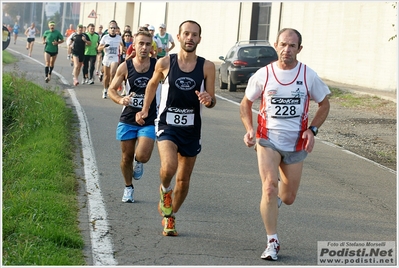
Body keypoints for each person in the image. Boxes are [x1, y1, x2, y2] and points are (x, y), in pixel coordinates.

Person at [239, 28, 331, 261]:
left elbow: (324, 104)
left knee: (288, 197)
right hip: (267, 139)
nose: (286, 50)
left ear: (299, 49)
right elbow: (246, 103)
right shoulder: (263, 75)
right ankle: (272, 241)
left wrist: (313, 129)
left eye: (292, 46)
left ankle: (277, 199)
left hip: (296, 143)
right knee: (269, 187)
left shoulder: (308, 75)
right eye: (283, 45)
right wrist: (250, 130)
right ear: (275, 46)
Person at [136, 20, 216, 236]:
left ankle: (169, 217)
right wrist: (145, 110)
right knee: (169, 167)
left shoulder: (207, 66)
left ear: (199, 38)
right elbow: (152, 84)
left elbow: (211, 100)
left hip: (192, 129)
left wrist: (208, 100)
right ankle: (164, 190)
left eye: (195, 35)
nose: (190, 38)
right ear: (178, 37)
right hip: (167, 124)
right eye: (186, 34)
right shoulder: (165, 63)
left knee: (183, 180)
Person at [108, 30, 160, 203]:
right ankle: (128, 187)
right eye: (141, 43)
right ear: (134, 46)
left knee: (143, 155)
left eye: (147, 44)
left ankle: (139, 162)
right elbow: (111, 90)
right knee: (126, 157)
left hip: (149, 117)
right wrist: (121, 99)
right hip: (128, 117)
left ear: (151, 47)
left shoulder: (158, 65)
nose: (144, 47)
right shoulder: (125, 66)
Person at [98, 20, 124, 98]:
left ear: (116, 29)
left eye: (114, 28)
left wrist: (122, 49)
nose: (113, 29)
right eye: (111, 28)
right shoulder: (105, 37)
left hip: (115, 57)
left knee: (113, 73)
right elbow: (98, 48)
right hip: (107, 57)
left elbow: (122, 45)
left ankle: (110, 89)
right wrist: (104, 46)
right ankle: (105, 89)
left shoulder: (119, 37)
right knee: (106, 76)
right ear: (108, 29)